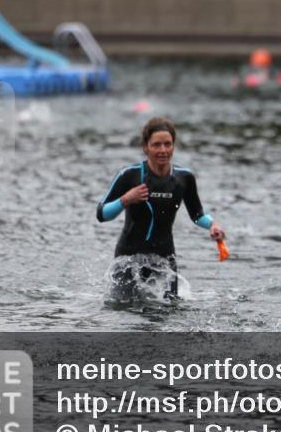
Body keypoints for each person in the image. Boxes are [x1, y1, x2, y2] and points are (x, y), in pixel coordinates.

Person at [96, 117, 225, 302]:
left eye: (168, 144)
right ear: (146, 147)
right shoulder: (129, 176)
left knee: (169, 313)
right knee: (126, 314)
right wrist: (126, 199)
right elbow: (101, 214)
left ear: (173, 146)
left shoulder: (184, 178)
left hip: (164, 260)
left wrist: (212, 225)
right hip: (128, 260)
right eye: (156, 145)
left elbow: (197, 215)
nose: (163, 150)